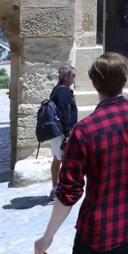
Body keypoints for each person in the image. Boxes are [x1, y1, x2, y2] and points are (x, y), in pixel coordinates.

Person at [34, 52, 128, 254]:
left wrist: (47, 236)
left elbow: (68, 193)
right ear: (124, 81)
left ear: (94, 83)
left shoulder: (84, 132)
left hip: (97, 230)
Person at [49, 66, 79, 197]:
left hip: (58, 131)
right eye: (73, 75)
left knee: (58, 159)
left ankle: (56, 188)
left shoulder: (58, 89)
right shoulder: (64, 91)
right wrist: (68, 134)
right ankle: (58, 189)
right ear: (66, 77)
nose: (74, 78)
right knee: (62, 160)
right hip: (62, 132)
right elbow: (63, 112)